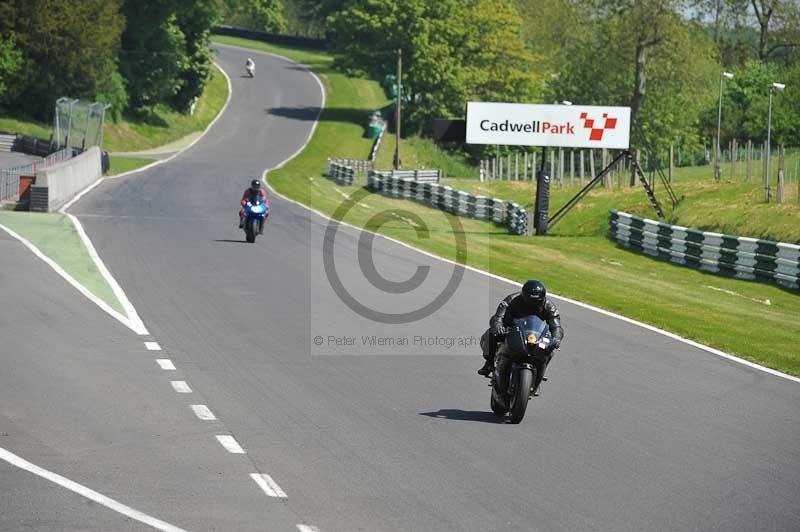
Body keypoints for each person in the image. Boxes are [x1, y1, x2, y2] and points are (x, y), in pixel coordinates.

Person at [478, 280, 564, 394]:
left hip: (534, 335)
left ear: (542, 298)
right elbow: (498, 317)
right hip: (512, 330)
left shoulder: (549, 306)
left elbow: (556, 326)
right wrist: (498, 327)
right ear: (523, 296)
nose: (532, 305)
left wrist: (556, 338)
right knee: (491, 334)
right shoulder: (511, 300)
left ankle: (537, 379)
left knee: (550, 351)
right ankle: (489, 363)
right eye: (530, 302)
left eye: (536, 302)